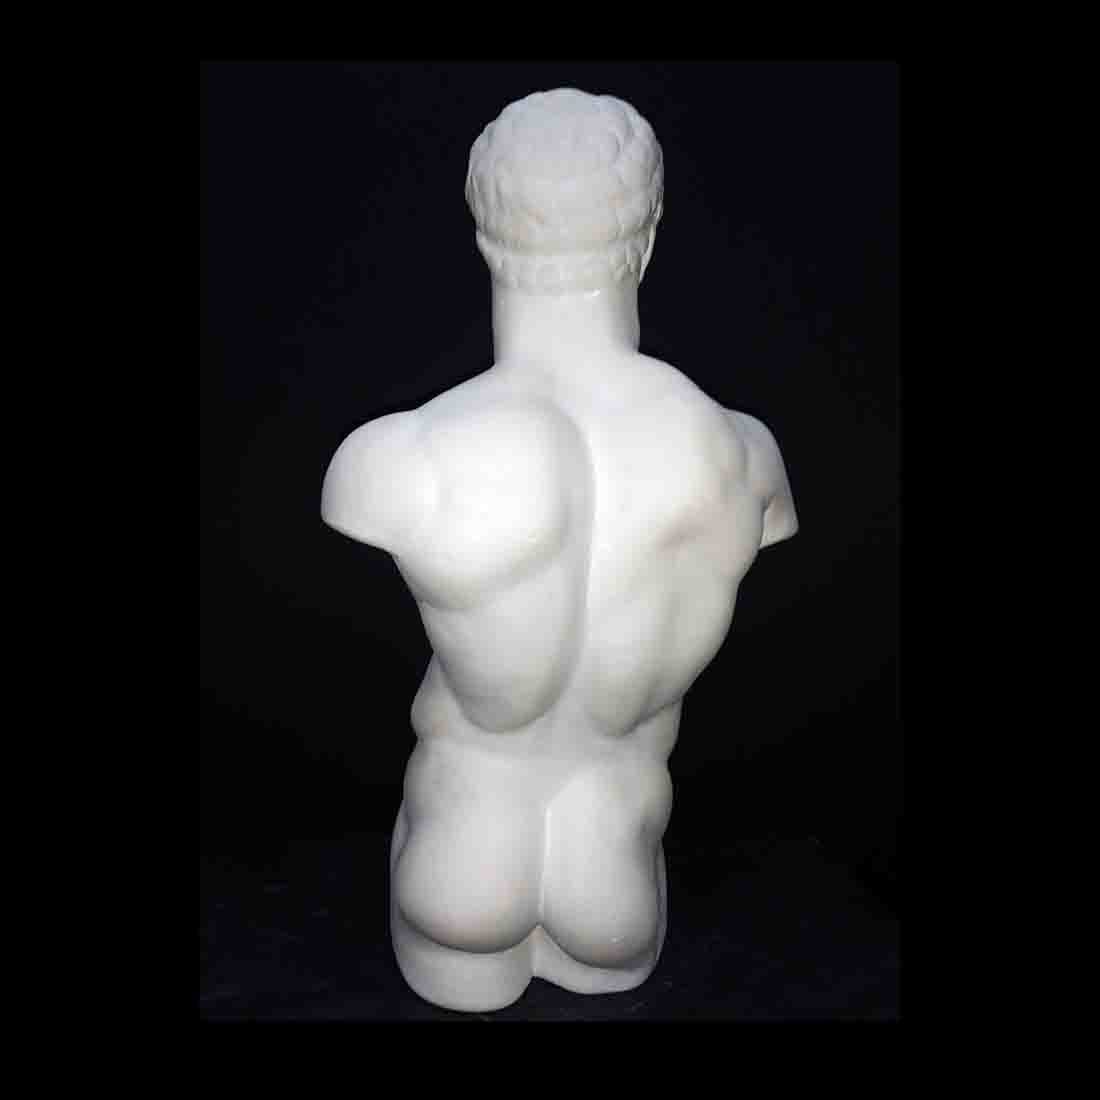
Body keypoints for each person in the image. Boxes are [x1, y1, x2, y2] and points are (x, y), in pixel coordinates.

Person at [321, 88, 797, 1011]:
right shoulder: (745, 458)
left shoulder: (397, 458)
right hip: (614, 875)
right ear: (648, 239)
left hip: (462, 855)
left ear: (484, 236)